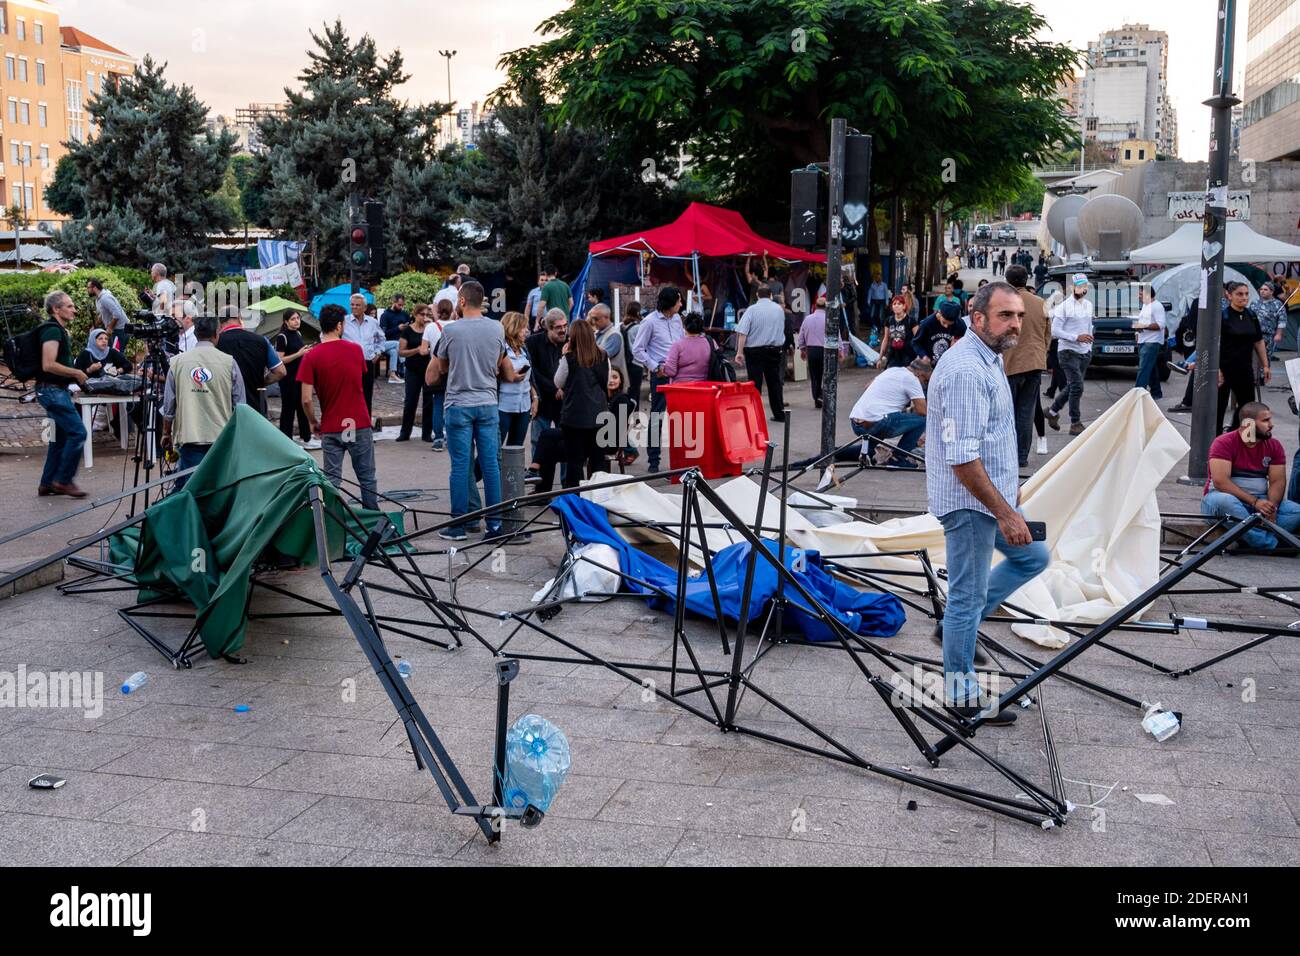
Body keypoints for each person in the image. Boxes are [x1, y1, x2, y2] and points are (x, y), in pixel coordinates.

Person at [925, 281, 1048, 723]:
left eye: (1018, 315)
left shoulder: (990, 356)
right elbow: (962, 459)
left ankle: (958, 628)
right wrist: (1004, 510)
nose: (1015, 323)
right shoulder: (965, 371)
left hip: (990, 498)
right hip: (970, 505)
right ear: (978, 319)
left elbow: (991, 437)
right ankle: (960, 696)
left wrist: (1008, 487)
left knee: (1033, 558)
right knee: (965, 596)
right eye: (1005, 316)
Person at [429, 279, 523, 541]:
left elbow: (443, 367)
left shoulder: (451, 331)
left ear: (461, 301)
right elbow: (500, 365)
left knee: (461, 467)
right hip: (488, 403)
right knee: (491, 465)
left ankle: (459, 526)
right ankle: (494, 526)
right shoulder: (497, 329)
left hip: (459, 404)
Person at [298, 305, 378, 510]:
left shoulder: (311, 356)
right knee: (366, 478)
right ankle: (374, 520)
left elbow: (306, 399)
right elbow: (358, 378)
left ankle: (331, 521)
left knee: (332, 479)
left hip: (332, 425)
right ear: (339, 325)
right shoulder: (355, 350)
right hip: (356, 423)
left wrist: (313, 422)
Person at [161, 313, 245, 491]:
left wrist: (166, 433)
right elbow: (240, 406)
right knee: (219, 489)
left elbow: (169, 407)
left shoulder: (176, 363)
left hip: (190, 438)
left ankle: (191, 518)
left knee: (192, 490)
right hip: (221, 439)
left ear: (197, 334)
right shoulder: (229, 363)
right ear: (216, 333)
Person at [1202, 402, 1300, 550]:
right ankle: (1271, 544)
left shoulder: (1274, 445)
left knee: (1296, 512)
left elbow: (1277, 481)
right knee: (1226, 502)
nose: (1271, 425)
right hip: (1224, 500)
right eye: (1265, 421)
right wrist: (1254, 502)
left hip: (1260, 502)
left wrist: (1271, 507)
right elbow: (1221, 482)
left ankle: (1246, 536)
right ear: (1248, 424)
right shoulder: (1224, 442)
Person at [33, 291, 90, 497]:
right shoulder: (52, 331)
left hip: (54, 390)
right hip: (52, 391)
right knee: (79, 433)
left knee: (60, 438)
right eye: (69, 306)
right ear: (56, 309)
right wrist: (76, 372)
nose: (74, 309)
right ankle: (63, 480)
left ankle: (47, 483)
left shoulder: (56, 330)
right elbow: (48, 365)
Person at [1001, 264, 1051, 468]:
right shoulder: (1040, 303)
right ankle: (1021, 456)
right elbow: (1048, 334)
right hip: (1034, 363)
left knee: (1006, 412)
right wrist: (1041, 353)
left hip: (1009, 363)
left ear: (1008, 281)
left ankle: (1006, 454)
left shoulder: (1002, 303)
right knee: (1026, 411)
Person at [631, 287, 685, 470]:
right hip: (661, 374)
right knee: (657, 416)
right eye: (678, 300)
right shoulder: (649, 322)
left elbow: (682, 341)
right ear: (670, 303)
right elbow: (637, 349)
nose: (681, 303)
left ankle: (682, 459)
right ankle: (654, 460)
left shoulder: (677, 319)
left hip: (679, 373)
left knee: (680, 416)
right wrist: (654, 366)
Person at [554, 319, 612, 488]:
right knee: (598, 462)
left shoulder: (569, 358)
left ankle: (576, 500)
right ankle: (599, 500)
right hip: (599, 415)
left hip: (574, 416)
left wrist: (563, 357)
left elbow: (558, 382)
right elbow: (606, 381)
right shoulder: (603, 355)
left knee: (575, 463)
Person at [849, 358, 931, 468]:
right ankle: (898, 458)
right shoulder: (911, 378)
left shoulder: (892, 370)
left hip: (856, 421)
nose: (924, 385)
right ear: (920, 374)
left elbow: (868, 386)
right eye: (925, 380)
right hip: (877, 422)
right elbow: (922, 411)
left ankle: (833, 453)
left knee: (869, 445)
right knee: (922, 420)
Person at [1046, 273, 1094, 435]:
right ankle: (1075, 422)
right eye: (1080, 286)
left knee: (1073, 386)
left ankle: (1052, 412)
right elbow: (1055, 331)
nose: (1083, 289)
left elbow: (1088, 325)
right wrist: (1076, 337)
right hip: (1068, 352)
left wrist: (1089, 341)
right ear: (1072, 288)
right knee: (1077, 386)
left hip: (1084, 352)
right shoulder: (1064, 307)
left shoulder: (1088, 305)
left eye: (1085, 286)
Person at [1218, 281, 1270, 432]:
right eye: (1239, 294)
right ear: (1229, 295)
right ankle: (1216, 442)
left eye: (1246, 294)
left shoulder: (1251, 316)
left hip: (1245, 368)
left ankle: (1236, 433)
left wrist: (1265, 365)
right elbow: (1216, 344)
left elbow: (1258, 341)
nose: (1244, 297)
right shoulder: (1224, 316)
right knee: (1219, 407)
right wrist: (1218, 370)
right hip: (1225, 368)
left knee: (1247, 407)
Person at [216, 307, 285, 414]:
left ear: (220, 322)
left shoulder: (216, 343)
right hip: (256, 406)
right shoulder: (261, 340)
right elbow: (280, 371)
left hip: (226, 408)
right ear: (239, 318)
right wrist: (260, 381)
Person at [734, 283, 787, 422]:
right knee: (774, 383)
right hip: (775, 350)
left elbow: (742, 333)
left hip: (755, 352)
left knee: (755, 384)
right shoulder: (779, 310)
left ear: (757, 295)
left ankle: (754, 414)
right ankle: (779, 414)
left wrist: (739, 352)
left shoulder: (751, 310)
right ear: (770, 295)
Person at [525, 308, 568, 469]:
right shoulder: (533, 342)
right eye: (558, 327)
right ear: (548, 328)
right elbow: (532, 370)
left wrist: (563, 387)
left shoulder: (569, 341)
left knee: (566, 442)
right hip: (542, 400)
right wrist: (553, 388)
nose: (563, 330)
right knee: (538, 441)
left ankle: (567, 484)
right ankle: (539, 481)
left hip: (564, 402)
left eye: (565, 325)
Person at [397, 303, 436, 443]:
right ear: (415, 315)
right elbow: (401, 351)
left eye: (427, 314)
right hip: (412, 369)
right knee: (410, 401)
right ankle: (405, 432)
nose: (424, 317)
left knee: (428, 401)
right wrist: (416, 350)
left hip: (428, 369)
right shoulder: (408, 331)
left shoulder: (430, 329)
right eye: (422, 314)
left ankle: (426, 433)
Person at [272, 311, 312, 443]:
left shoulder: (298, 334)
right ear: (286, 321)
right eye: (293, 319)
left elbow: (300, 353)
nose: (297, 321)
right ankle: (285, 439)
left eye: (298, 318)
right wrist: (299, 354)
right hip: (288, 378)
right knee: (288, 408)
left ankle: (306, 437)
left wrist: (306, 352)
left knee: (302, 407)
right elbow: (280, 360)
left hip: (300, 375)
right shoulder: (282, 337)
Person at [498, 310, 537, 450]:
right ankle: (481, 472)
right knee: (494, 448)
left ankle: (512, 472)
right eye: (523, 328)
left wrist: (535, 397)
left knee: (516, 449)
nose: (526, 331)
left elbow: (530, 378)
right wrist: (506, 374)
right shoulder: (501, 349)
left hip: (523, 406)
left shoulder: (524, 350)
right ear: (513, 328)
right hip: (503, 406)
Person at [342, 294, 384, 414]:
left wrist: (378, 352)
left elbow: (381, 338)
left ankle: (366, 425)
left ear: (365, 308)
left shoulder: (372, 322)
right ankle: (350, 424)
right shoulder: (343, 321)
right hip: (349, 364)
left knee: (367, 395)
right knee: (350, 395)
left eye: (357, 305)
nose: (354, 307)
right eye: (352, 305)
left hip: (367, 363)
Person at [423, 300, 452, 449]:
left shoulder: (431, 327)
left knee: (438, 403)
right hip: (454, 369)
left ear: (438, 311)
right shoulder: (456, 326)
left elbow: (423, 350)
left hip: (436, 367)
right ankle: (451, 435)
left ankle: (438, 438)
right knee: (453, 403)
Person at [1133, 284, 1167, 401]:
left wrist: (1143, 326)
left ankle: (1137, 395)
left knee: (1143, 368)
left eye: (1141, 294)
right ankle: (1157, 392)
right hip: (1143, 340)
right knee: (1151, 368)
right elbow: (1142, 321)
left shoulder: (1157, 306)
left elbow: (1160, 325)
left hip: (1152, 341)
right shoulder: (1145, 306)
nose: (1139, 296)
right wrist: (1137, 332)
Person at [665, 311, 714, 384]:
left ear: (684, 326)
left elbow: (670, 371)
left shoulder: (677, 345)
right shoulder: (711, 342)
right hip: (704, 386)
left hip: (680, 389)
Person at [913, 301, 966, 366]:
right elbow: (915, 342)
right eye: (944, 322)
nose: (946, 326)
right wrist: (924, 356)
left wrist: (957, 343)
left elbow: (965, 342)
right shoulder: (927, 323)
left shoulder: (960, 325)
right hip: (931, 364)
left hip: (949, 364)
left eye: (950, 324)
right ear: (939, 313)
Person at [589, 302, 628, 386]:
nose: (594, 322)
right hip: (605, 383)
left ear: (606, 317)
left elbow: (599, 357)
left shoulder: (614, 335)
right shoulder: (597, 333)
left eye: (596, 319)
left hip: (614, 385)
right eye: (592, 319)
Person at [88, 277, 129, 351]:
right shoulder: (98, 299)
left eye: (88, 288)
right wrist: (94, 326)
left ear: (94, 288)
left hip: (121, 329)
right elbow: (103, 315)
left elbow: (117, 314)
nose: (87, 290)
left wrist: (110, 328)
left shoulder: (105, 298)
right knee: (110, 353)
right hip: (116, 330)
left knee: (117, 354)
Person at [877, 295, 915, 369]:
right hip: (893, 356)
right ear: (892, 307)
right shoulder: (889, 320)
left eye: (899, 304)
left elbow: (918, 339)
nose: (896, 306)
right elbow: (885, 339)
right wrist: (880, 358)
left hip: (907, 356)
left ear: (904, 306)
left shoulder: (911, 320)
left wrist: (919, 358)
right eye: (894, 304)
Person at [379, 293, 409, 383]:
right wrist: (397, 328)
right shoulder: (385, 315)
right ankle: (403, 367)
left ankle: (393, 375)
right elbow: (383, 334)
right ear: (393, 302)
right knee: (398, 344)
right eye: (399, 305)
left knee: (394, 351)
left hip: (402, 342)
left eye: (403, 305)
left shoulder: (404, 314)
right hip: (387, 343)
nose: (401, 307)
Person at [1257, 281, 1287, 359]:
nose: (1262, 291)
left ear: (1272, 292)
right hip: (1256, 335)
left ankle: (1265, 371)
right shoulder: (1255, 302)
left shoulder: (1278, 304)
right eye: (1261, 289)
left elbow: (1282, 320)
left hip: (1269, 336)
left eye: (1265, 289)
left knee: (1266, 359)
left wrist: (1279, 334)